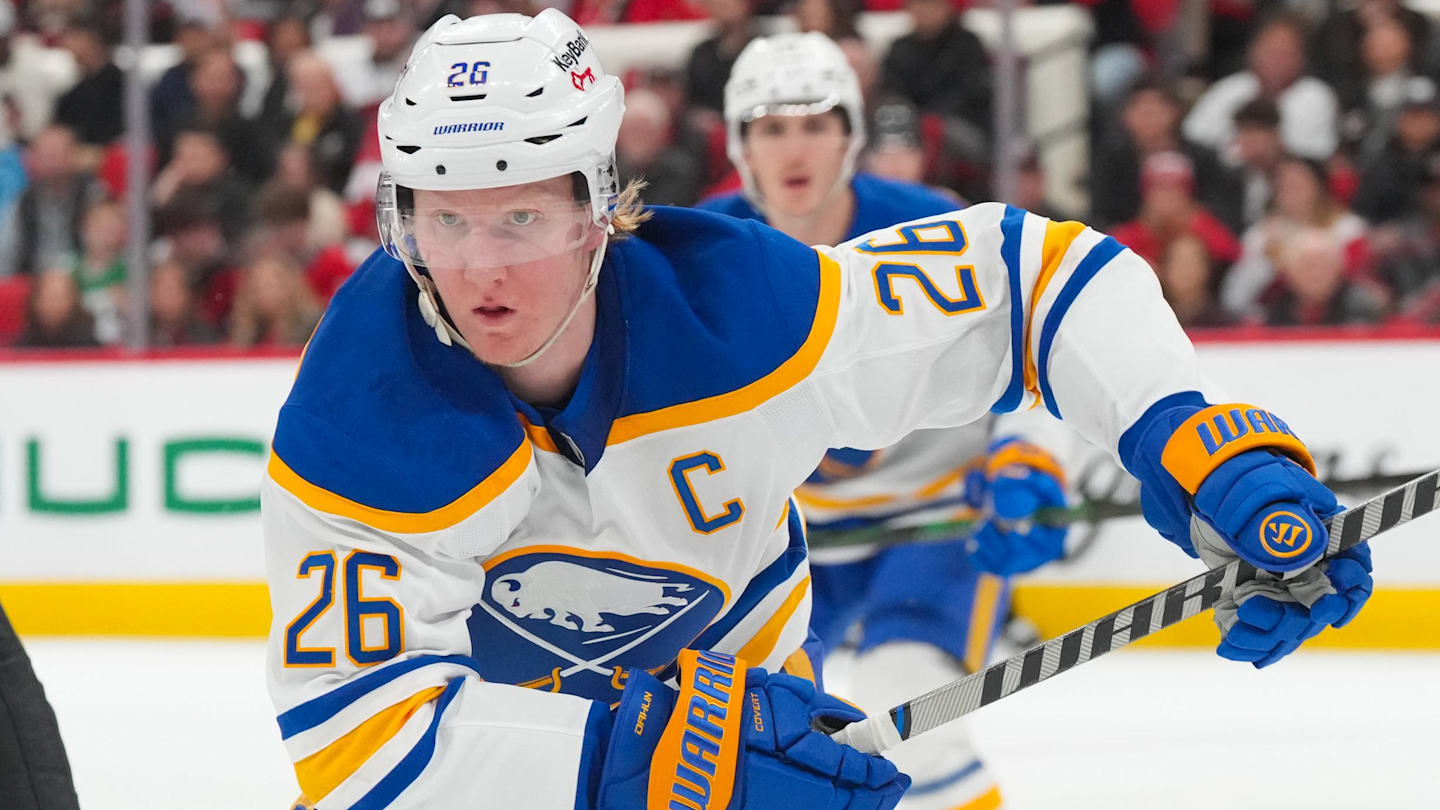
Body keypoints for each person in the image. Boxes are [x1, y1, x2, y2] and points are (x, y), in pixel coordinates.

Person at [263, 11, 1375, 809]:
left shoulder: (739, 309)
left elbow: (1035, 280)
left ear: (600, 208)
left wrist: (1191, 438)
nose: (478, 272)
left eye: (520, 218)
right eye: (443, 222)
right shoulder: (357, 416)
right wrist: (637, 766)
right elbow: (359, 743)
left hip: (740, 708)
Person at [696, 33, 1071, 810]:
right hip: (778, 544)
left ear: (852, 135)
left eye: (816, 124)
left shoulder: (933, 230)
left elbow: (1036, 350)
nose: (795, 149)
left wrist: (1028, 455)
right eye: (772, 128)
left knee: (910, 721)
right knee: (747, 745)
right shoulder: (698, 253)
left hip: (933, 524)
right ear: (738, 143)